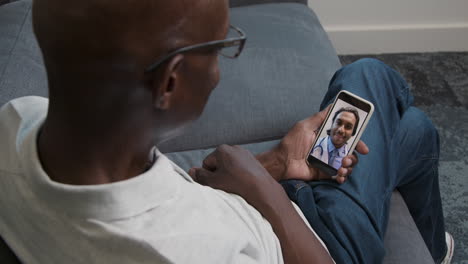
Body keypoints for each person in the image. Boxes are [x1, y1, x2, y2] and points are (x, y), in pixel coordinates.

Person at [0, 1, 452, 264]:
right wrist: (265, 192)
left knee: (412, 132)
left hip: (268, 204)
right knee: (371, 76)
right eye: (220, 49)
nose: (218, 73)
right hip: (320, 246)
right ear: (170, 82)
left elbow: (170, 201)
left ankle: (430, 250)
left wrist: (273, 163)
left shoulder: (18, 122)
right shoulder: (191, 251)